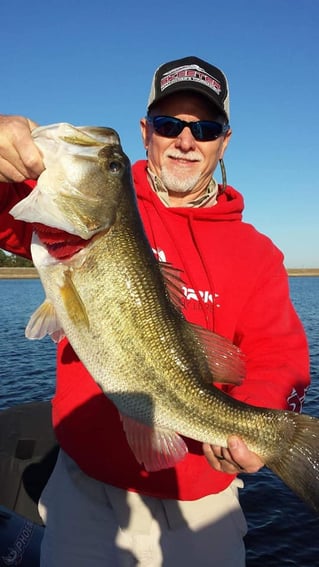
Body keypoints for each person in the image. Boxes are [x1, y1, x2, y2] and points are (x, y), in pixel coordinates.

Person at [0, 56, 310, 566]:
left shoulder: (257, 252)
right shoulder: (87, 216)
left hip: (199, 508)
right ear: (146, 133)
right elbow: (13, 209)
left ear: (223, 142)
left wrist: (250, 422)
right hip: (82, 492)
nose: (186, 141)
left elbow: (280, 356)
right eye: (170, 125)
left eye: (205, 128)